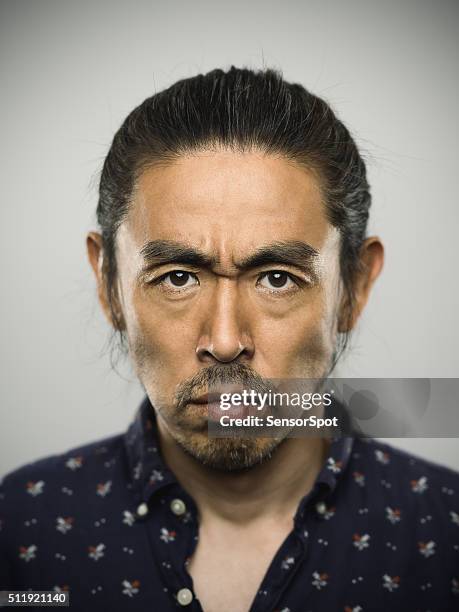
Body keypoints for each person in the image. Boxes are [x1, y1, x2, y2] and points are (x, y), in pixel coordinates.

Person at [1, 67, 458, 612]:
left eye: (277, 278)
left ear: (353, 288)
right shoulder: (21, 531)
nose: (223, 341)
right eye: (177, 277)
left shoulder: (445, 532)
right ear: (109, 285)